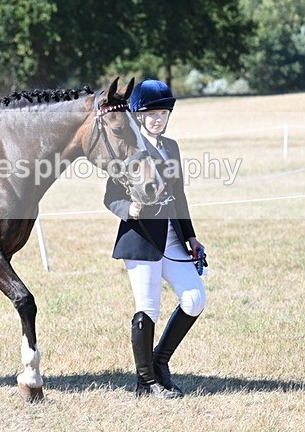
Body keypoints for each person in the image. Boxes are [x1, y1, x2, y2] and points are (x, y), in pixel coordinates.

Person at [104, 79, 206, 399]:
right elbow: (110, 197)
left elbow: (179, 195)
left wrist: (190, 236)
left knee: (194, 299)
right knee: (148, 307)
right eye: (151, 114)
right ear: (138, 116)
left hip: (173, 237)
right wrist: (129, 208)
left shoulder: (171, 146)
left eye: (163, 113)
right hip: (142, 237)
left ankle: (160, 362)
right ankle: (145, 381)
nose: (158, 119)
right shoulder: (129, 148)